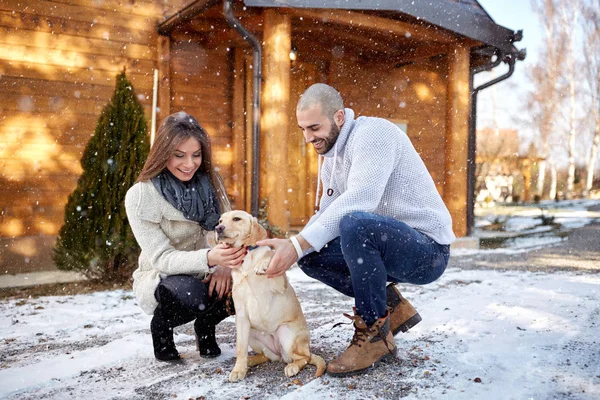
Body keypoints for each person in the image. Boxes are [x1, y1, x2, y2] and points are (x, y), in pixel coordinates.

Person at [258, 83, 455, 376]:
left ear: (338, 117)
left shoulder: (373, 133)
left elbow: (362, 197)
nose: (308, 137)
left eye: (314, 127)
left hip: (428, 251)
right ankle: (392, 309)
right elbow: (326, 216)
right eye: (302, 129)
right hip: (389, 246)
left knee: (355, 223)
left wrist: (298, 243)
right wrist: (292, 246)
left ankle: (374, 334)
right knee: (312, 255)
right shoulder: (331, 159)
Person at [125, 111, 246, 361]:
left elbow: (228, 232)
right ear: (162, 153)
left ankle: (206, 326)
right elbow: (162, 258)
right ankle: (162, 328)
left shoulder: (210, 183)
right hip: (164, 275)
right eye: (179, 155)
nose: (189, 164)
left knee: (248, 284)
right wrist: (211, 258)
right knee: (191, 293)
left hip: (209, 265)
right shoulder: (141, 196)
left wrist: (225, 266)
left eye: (196, 155)